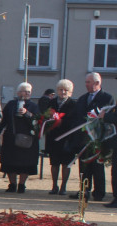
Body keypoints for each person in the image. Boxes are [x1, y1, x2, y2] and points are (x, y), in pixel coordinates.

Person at [70, 72, 113, 202]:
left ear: (97, 83)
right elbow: (77, 116)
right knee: (84, 165)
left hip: (98, 139)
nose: (86, 85)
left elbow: (108, 117)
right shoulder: (83, 98)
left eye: (88, 82)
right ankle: (84, 191)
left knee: (97, 166)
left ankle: (99, 192)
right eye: (86, 82)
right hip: (83, 138)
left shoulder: (107, 98)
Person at [0, 82, 40, 193]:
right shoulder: (11, 104)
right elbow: (4, 120)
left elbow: (37, 122)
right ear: (18, 92)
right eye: (23, 91)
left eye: (28, 91)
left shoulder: (34, 106)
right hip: (11, 137)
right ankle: (12, 184)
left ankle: (22, 185)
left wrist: (27, 113)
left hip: (28, 139)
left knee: (25, 164)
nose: (26, 93)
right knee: (9, 163)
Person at [44, 79, 78, 195]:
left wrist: (61, 122)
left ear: (70, 92)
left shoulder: (73, 104)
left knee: (66, 163)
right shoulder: (51, 102)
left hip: (67, 137)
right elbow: (45, 116)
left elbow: (74, 121)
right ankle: (54, 186)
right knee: (54, 163)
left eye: (65, 90)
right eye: (60, 89)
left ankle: (64, 186)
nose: (63, 92)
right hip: (53, 137)